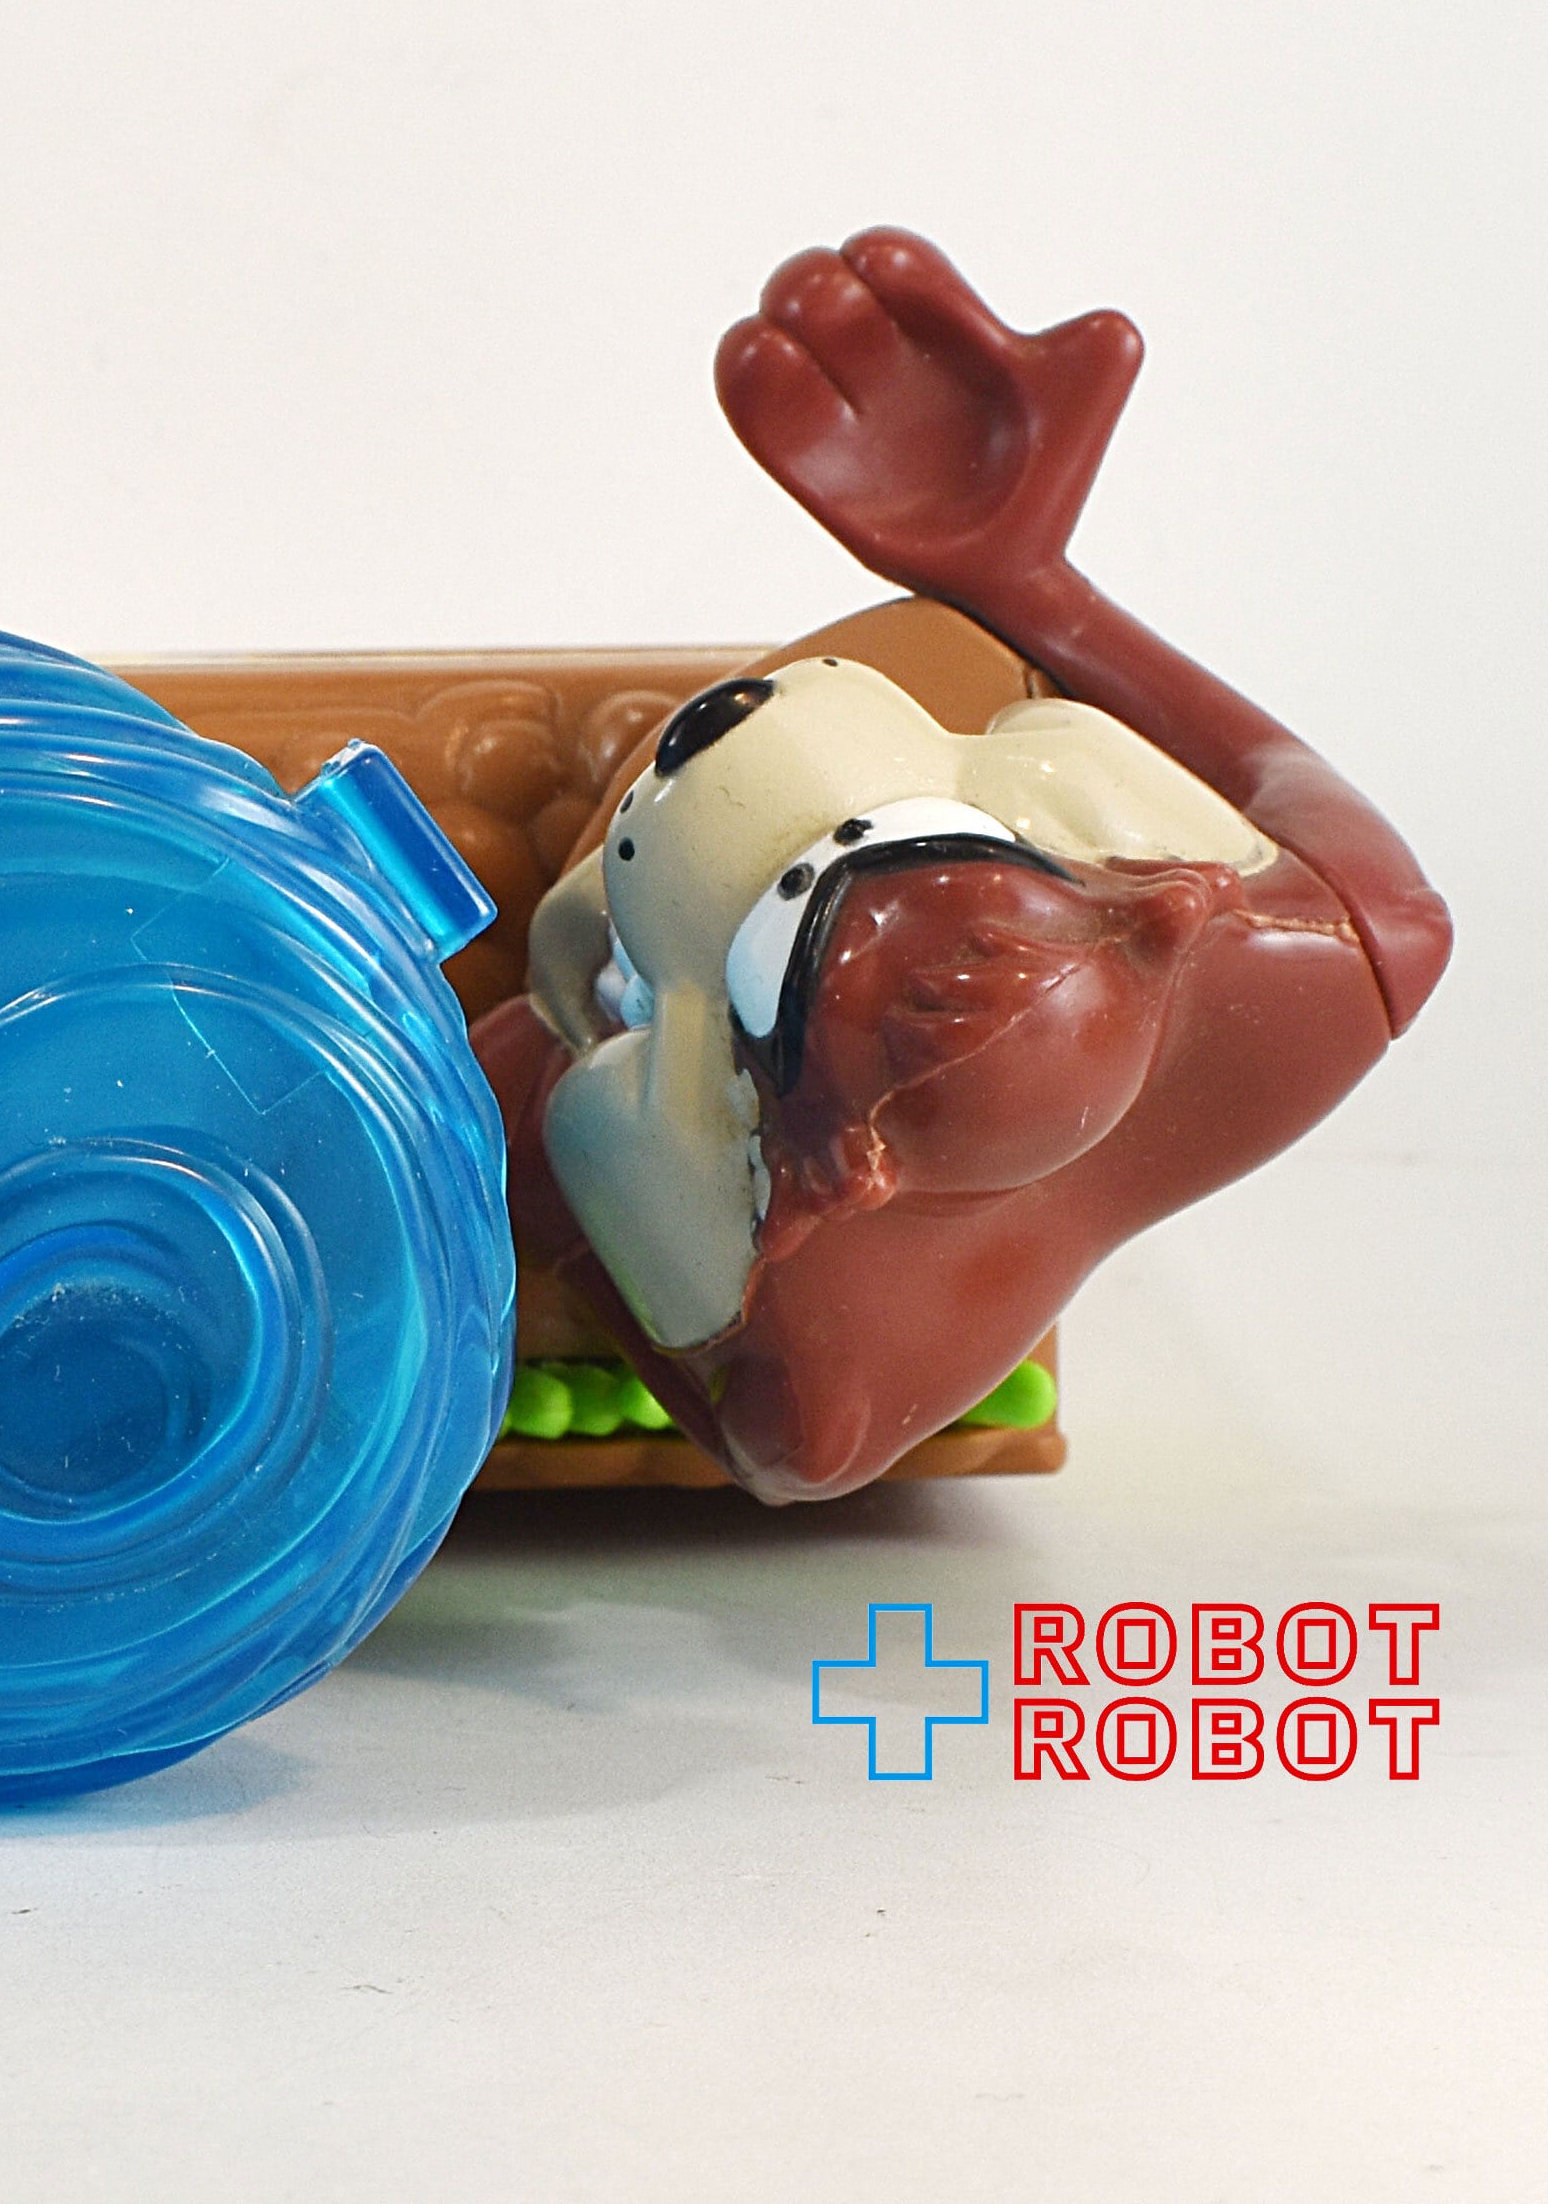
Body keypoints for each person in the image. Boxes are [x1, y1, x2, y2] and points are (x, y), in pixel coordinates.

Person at [473, 229, 1450, 1502]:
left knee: (508, 1107)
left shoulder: (834, 1359)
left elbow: (780, 1458)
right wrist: (1032, 585)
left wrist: (578, 1189)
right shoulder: (1346, 949)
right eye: (902, 837)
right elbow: (1272, 776)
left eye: (778, 933)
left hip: (625, 1091)